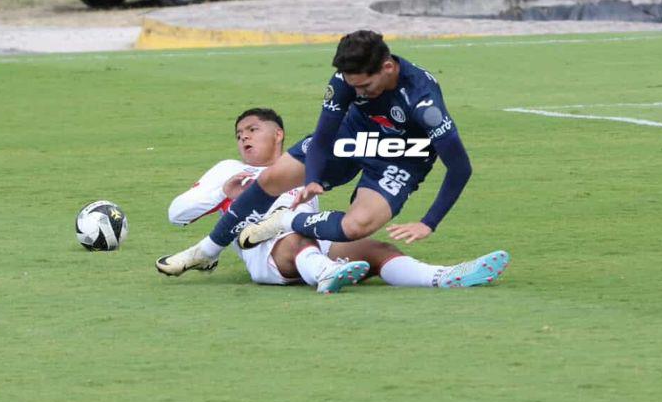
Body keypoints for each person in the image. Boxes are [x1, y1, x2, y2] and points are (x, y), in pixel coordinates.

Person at [159, 30, 508, 284]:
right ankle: (206, 252)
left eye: (364, 87)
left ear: (388, 68)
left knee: (358, 227)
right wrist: (312, 178)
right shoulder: (344, 80)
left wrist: (428, 222)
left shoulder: (423, 102)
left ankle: (288, 221)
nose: (357, 92)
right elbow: (324, 135)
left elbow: (460, 167)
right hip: (352, 135)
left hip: (401, 155)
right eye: (352, 86)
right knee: (271, 178)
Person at [157, 106, 506, 291]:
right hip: (266, 256)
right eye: (239, 134)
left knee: (376, 249)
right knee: (296, 238)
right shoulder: (230, 169)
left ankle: (443, 277)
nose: (244, 138)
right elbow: (176, 213)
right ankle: (327, 273)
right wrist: (222, 193)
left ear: (278, 135)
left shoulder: (302, 164)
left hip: (314, 242)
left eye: (252, 130)